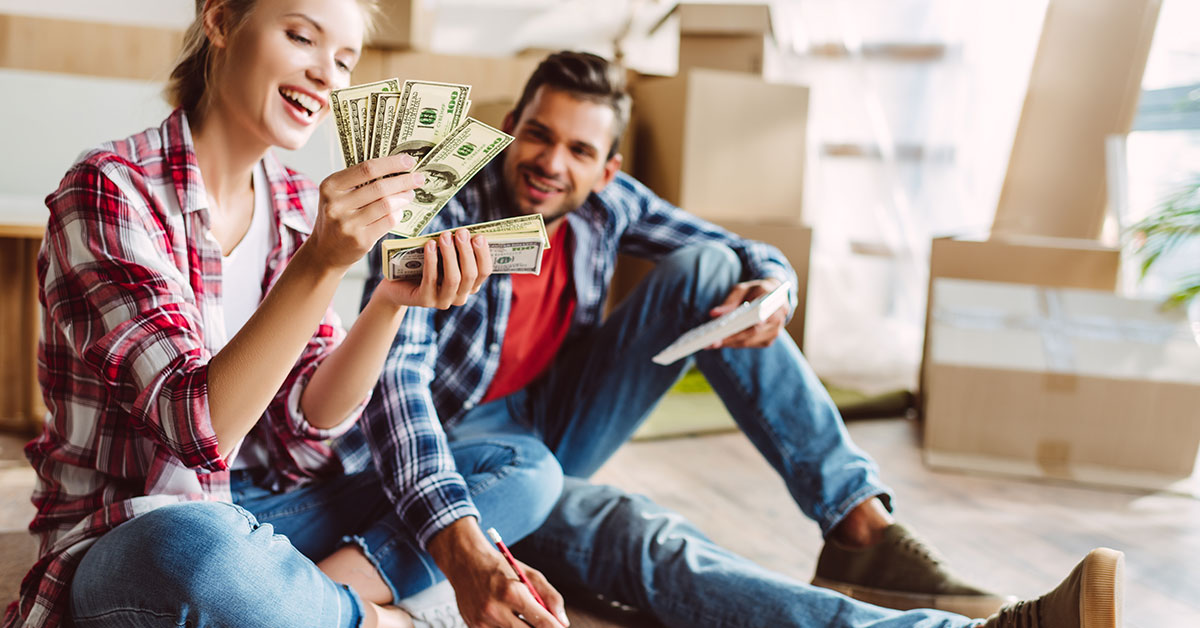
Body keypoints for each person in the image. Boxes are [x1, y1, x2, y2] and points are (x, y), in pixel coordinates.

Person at [357, 50, 1126, 627]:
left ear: (608, 168)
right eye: (537, 135)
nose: (552, 163)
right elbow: (397, 389)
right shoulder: (447, 208)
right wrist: (457, 536)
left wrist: (775, 291)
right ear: (509, 130)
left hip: (556, 418)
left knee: (710, 270)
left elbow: (738, 250)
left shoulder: (604, 206)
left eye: (580, 151)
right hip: (474, 454)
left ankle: (862, 525)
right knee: (643, 536)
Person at [4, 2, 566, 627]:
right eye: (302, 37)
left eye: (345, 60)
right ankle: (376, 617)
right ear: (218, 19)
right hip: (142, 530)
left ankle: (294, 600)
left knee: (524, 469)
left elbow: (310, 425)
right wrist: (320, 263)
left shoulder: (295, 201)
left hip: (266, 508)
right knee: (198, 556)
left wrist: (387, 305)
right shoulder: (108, 190)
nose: (328, 74)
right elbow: (198, 434)